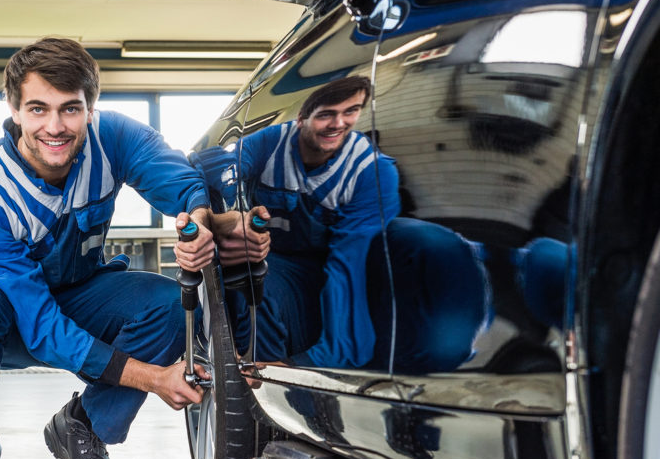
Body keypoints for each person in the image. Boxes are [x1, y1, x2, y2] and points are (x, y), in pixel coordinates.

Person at [0, 37, 214, 459]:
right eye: (38, 109)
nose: (55, 127)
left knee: (165, 305)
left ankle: (84, 426)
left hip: (83, 296)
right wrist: (154, 378)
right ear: (14, 109)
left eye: (70, 110)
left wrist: (199, 223)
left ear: (90, 108)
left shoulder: (112, 137)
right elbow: (40, 326)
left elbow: (177, 178)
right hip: (9, 321)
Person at [197, 76, 487, 372]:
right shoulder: (271, 143)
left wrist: (318, 363)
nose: (338, 124)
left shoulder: (372, 171)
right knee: (252, 272)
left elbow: (349, 266)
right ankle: (261, 376)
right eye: (326, 114)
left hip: (348, 264)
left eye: (350, 111)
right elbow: (210, 167)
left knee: (427, 244)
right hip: (283, 263)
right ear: (301, 119)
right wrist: (226, 216)